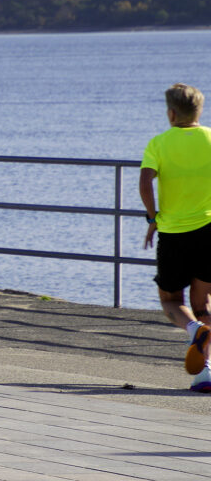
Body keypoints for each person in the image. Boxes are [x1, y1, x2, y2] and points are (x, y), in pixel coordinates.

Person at [139, 82, 211, 393]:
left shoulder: (159, 143)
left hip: (172, 232)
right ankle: (206, 373)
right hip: (209, 230)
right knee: (204, 303)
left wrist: (153, 218)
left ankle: (195, 331)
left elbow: (144, 183)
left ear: (171, 113)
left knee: (171, 300)